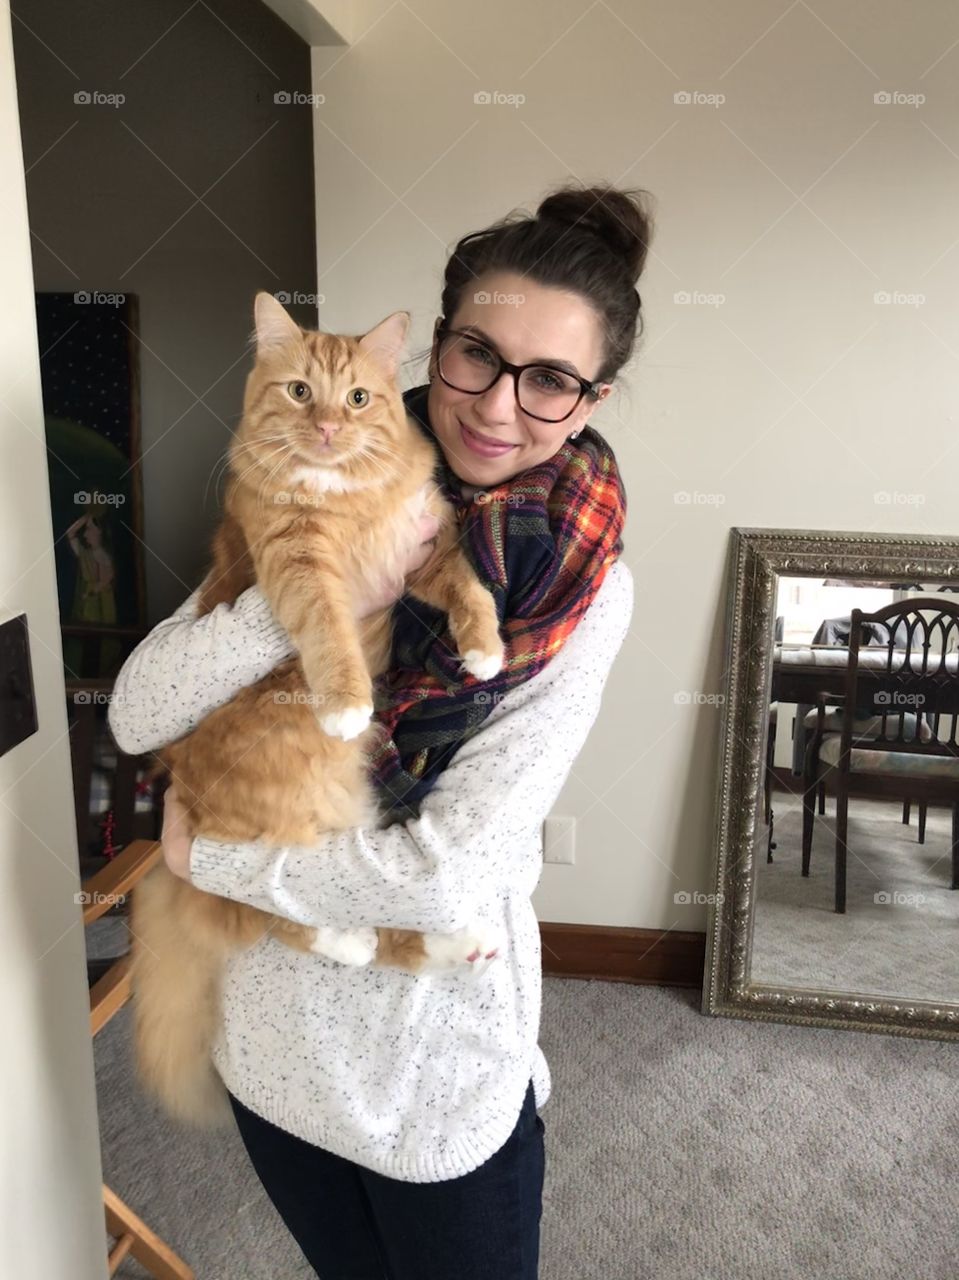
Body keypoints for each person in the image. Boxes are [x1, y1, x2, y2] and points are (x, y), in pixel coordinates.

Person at [108, 181, 651, 1280]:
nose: (496, 407)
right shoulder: (305, 471)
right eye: (476, 356)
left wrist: (206, 860)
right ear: (438, 343)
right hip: (268, 1047)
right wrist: (312, 594)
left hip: (427, 1072)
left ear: (590, 398)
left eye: (548, 379)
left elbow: (445, 880)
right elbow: (137, 710)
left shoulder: (582, 583)